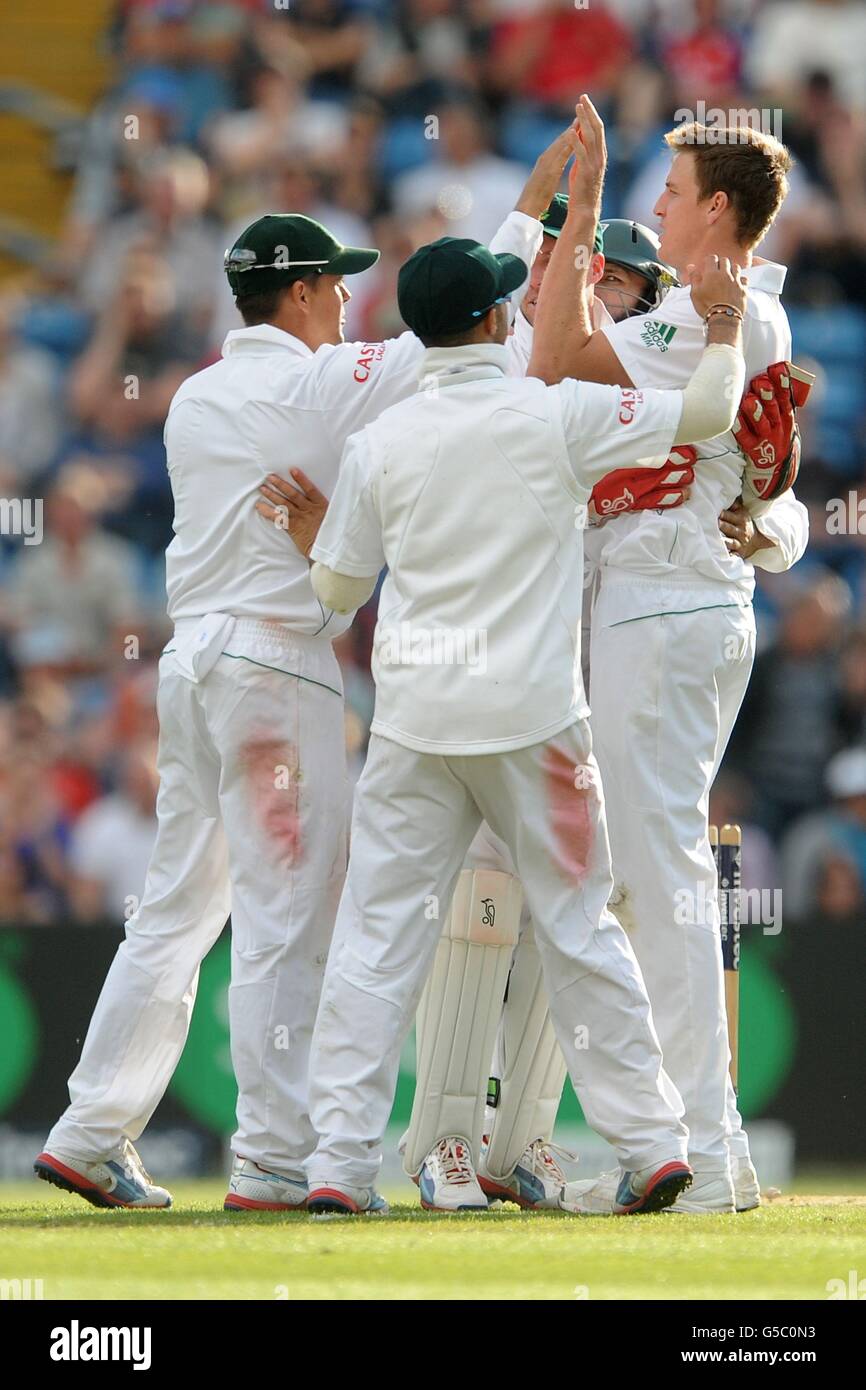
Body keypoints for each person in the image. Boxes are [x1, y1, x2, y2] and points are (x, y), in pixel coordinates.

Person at [33, 134, 572, 1211]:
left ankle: (90, 1131)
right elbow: (456, 332)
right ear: (304, 293)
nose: (344, 302)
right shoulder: (327, 385)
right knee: (291, 918)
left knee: (175, 913)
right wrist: (527, 218)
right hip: (277, 672)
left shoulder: (192, 396)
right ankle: (276, 1159)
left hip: (190, 670)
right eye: (334, 284)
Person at [300, 95, 752, 1218]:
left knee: (374, 944)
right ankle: (651, 1145)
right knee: (583, 929)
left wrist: (330, 543)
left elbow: (334, 595)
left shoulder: (382, 440)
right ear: (498, 322)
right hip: (537, 720)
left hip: (412, 724)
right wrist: (729, 327)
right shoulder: (546, 414)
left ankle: (332, 1167)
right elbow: (701, 413)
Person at [402, 117, 810, 1215]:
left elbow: (564, 362)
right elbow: (754, 471)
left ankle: (697, 1153)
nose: (664, 205)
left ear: (715, 209)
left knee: (645, 876)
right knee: (597, 880)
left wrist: (768, 518)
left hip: (644, 616)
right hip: (588, 629)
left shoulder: (714, 315)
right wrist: (768, 515)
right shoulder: (705, 316)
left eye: (673, 192)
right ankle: (529, 1141)